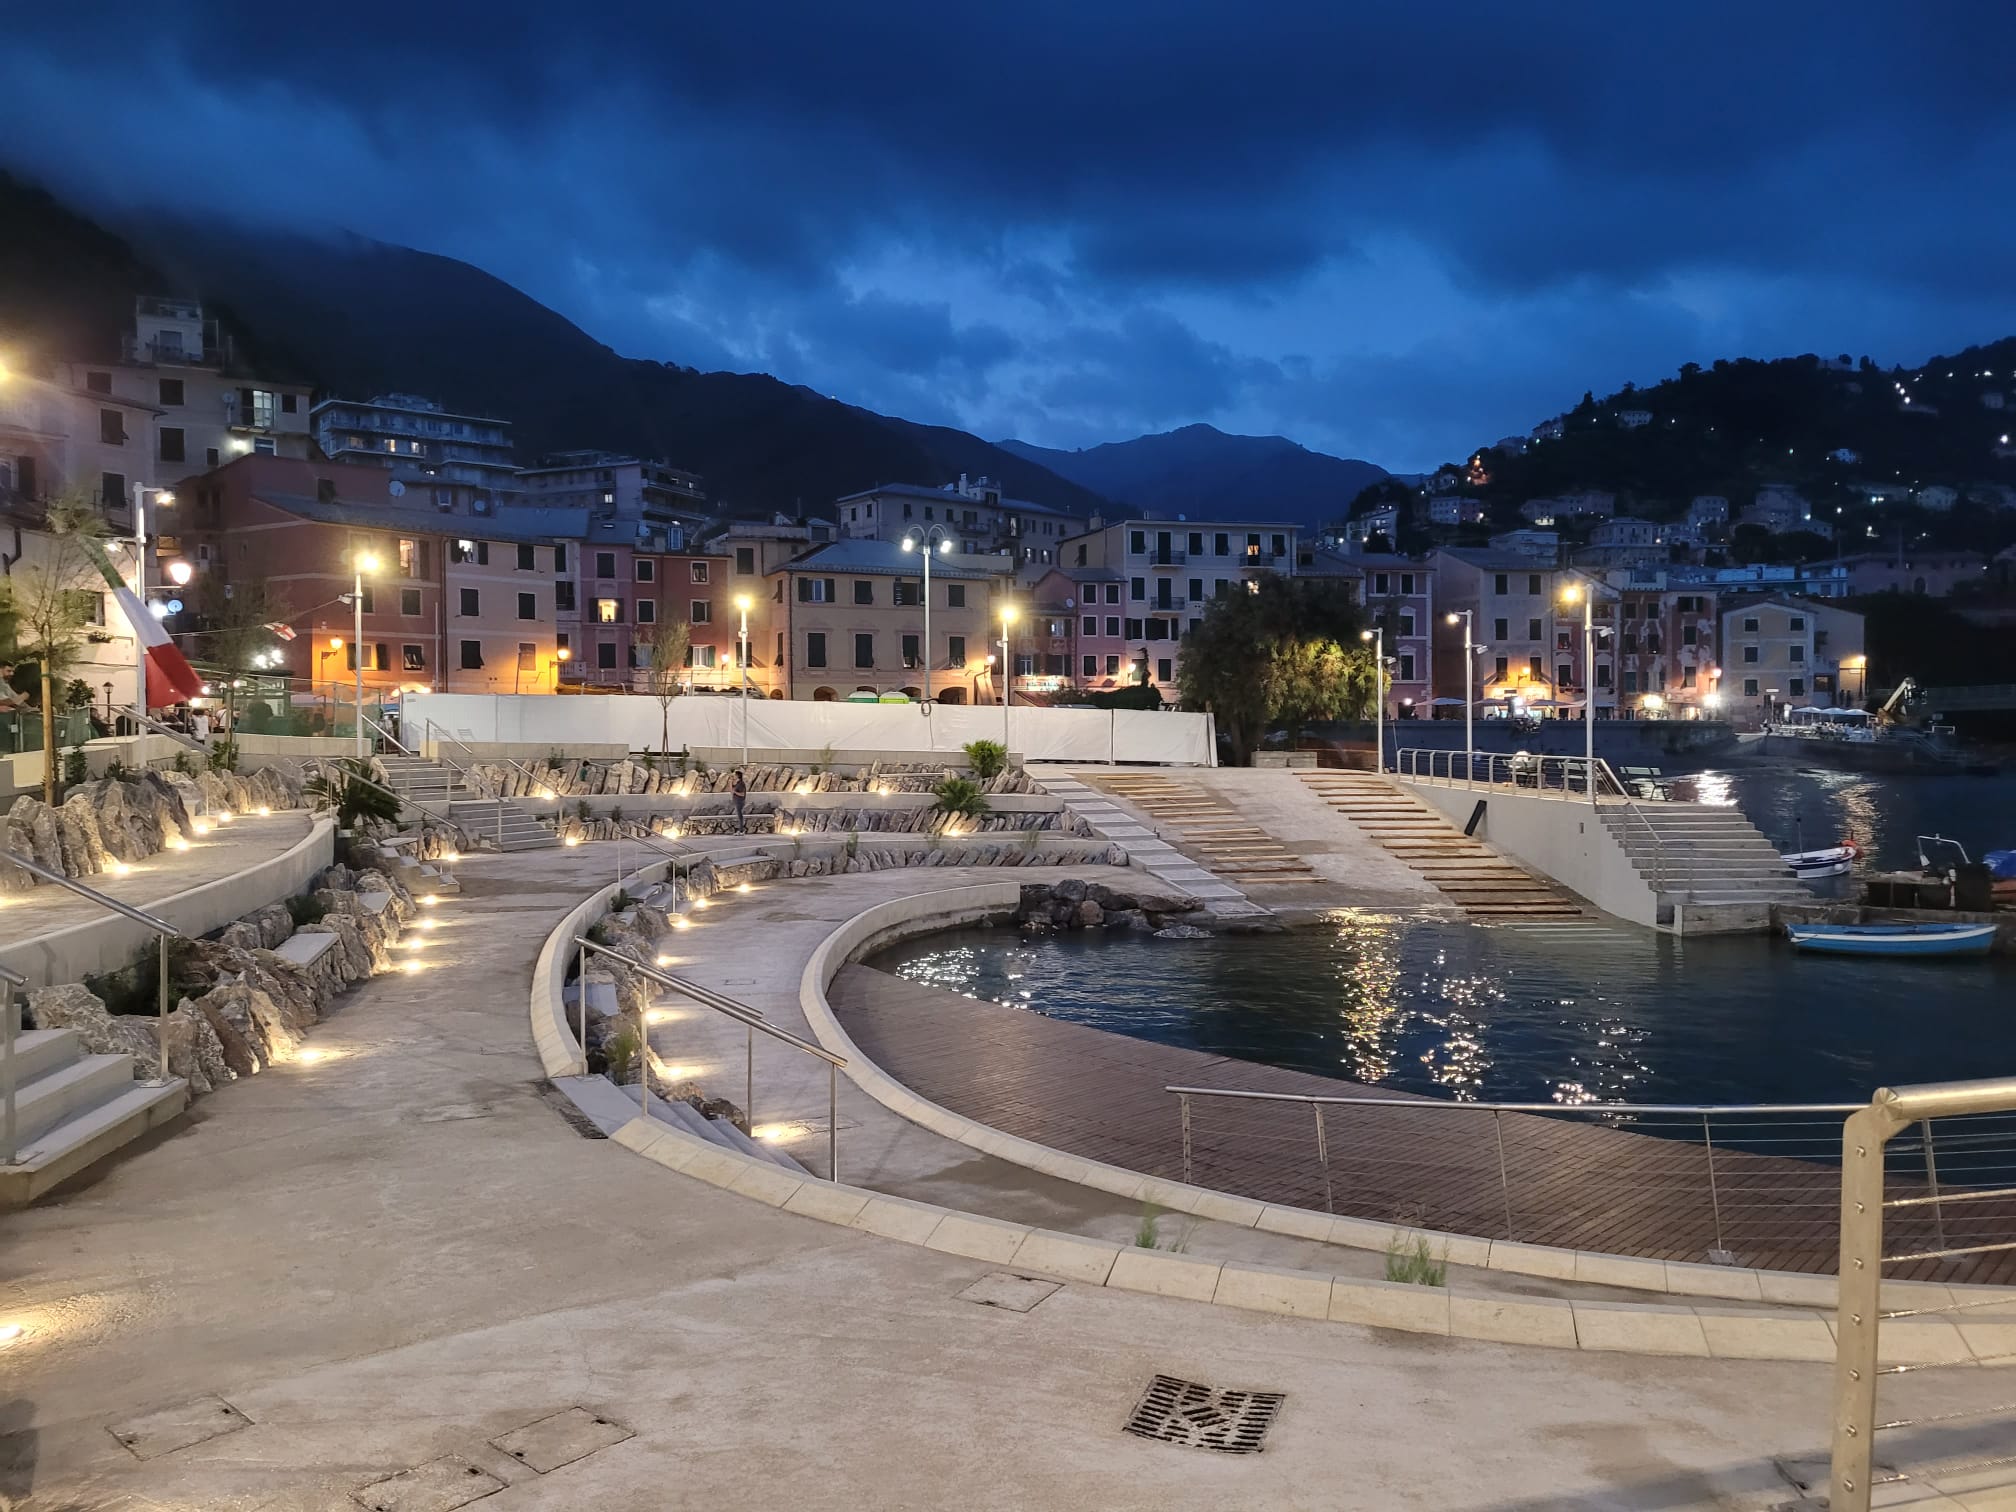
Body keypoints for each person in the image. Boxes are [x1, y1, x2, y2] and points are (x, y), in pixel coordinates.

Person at [731, 767, 748, 833]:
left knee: (740, 816)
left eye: (735, 775)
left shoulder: (741, 784)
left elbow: (742, 794)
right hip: (736, 801)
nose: (734, 776)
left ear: (738, 776)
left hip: (740, 801)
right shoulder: (737, 783)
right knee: (738, 816)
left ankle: (741, 830)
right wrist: (731, 782)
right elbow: (731, 791)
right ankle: (740, 830)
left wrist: (735, 792)